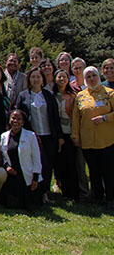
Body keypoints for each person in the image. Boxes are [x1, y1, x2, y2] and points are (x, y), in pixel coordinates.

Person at [15, 67, 61, 202]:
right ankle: (34, 190)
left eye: (38, 77)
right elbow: (18, 116)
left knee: (47, 165)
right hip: (32, 137)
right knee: (35, 164)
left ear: (43, 79)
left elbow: (55, 117)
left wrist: (59, 137)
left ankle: (45, 191)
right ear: (29, 80)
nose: (35, 80)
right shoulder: (23, 95)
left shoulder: (48, 95)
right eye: (33, 77)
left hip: (48, 135)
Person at [71, 66, 114, 209]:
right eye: (88, 77)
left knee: (108, 170)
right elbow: (76, 118)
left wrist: (105, 118)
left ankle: (110, 198)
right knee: (94, 171)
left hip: (107, 139)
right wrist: (75, 136)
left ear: (98, 76)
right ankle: (98, 197)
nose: (91, 79)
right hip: (88, 140)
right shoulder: (80, 96)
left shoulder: (110, 93)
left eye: (93, 75)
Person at [0, 109, 42, 209]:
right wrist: (7, 167)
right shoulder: (4, 136)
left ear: (23, 122)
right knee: (12, 204)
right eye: (13, 118)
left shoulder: (31, 136)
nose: (15, 121)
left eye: (19, 119)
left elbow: (36, 158)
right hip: (13, 175)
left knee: (30, 205)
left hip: (28, 176)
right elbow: (2, 156)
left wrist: (35, 178)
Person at [53, 69, 79, 200]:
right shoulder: (51, 95)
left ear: (68, 79)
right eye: (59, 77)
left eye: (64, 77)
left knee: (71, 164)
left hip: (69, 132)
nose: (61, 79)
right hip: (57, 134)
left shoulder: (73, 96)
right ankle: (62, 190)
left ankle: (73, 192)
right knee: (59, 164)